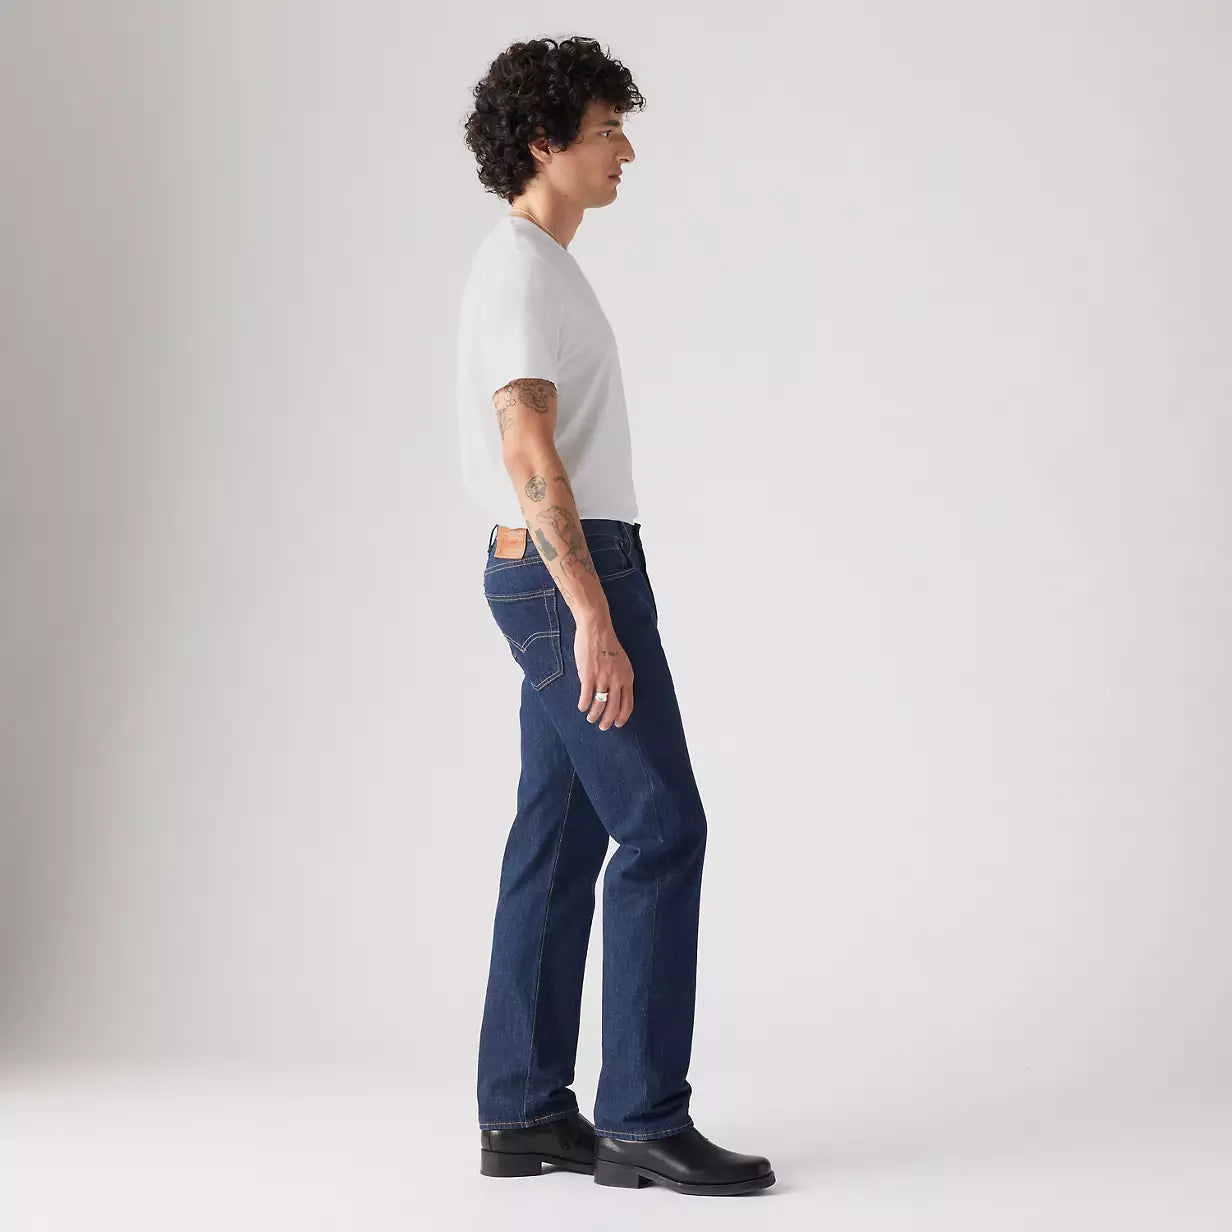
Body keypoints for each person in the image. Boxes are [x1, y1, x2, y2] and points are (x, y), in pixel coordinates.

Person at [455, 36, 774, 1197]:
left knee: (561, 833)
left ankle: (524, 1109)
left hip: (556, 568)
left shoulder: (538, 266)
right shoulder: (521, 271)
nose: (624, 150)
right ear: (544, 143)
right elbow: (525, 446)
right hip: (568, 572)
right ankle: (641, 1115)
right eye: (605, 130)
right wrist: (592, 609)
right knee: (661, 827)